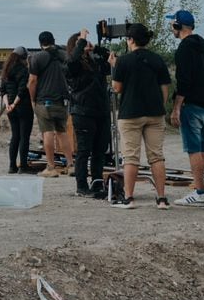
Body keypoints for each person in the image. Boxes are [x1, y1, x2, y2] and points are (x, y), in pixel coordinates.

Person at [111, 23, 172, 210]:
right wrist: (160, 106)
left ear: (130, 40)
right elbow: (164, 87)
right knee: (156, 156)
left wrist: (114, 67)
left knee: (130, 157)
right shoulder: (157, 60)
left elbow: (117, 88)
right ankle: (161, 198)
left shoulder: (123, 61)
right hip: (154, 112)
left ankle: (128, 198)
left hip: (130, 113)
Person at [167, 9, 204, 206]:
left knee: (193, 150)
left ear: (177, 26)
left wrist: (176, 108)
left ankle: (199, 192)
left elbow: (184, 81)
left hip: (190, 105)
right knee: (203, 148)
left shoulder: (184, 49)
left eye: (172, 24)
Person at [65, 31, 112, 197]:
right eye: (80, 43)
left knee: (100, 149)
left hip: (101, 111)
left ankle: (97, 181)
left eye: (85, 42)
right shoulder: (73, 65)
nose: (85, 44)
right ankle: (81, 185)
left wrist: (97, 48)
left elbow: (111, 59)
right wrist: (80, 42)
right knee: (84, 150)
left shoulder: (95, 61)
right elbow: (72, 62)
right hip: (83, 112)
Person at [27, 32, 75, 177]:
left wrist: (32, 99)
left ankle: (51, 167)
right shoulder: (64, 55)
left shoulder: (37, 57)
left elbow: (32, 81)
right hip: (61, 100)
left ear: (40, 43)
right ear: (54, 41)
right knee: (62, 133)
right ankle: (71, 164)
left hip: (44, 100)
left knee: (47, 132)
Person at [0, 47, 33, 174]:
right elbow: (22, 90)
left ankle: (12, 166)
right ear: (23, 57)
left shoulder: (6, 71)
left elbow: (3, 91)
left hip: (11, 109)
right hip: (23, 107)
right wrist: (15, 104)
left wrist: (8, 105)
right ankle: (23, 166)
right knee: (24, 137)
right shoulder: (24, 70)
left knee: (15, 136)